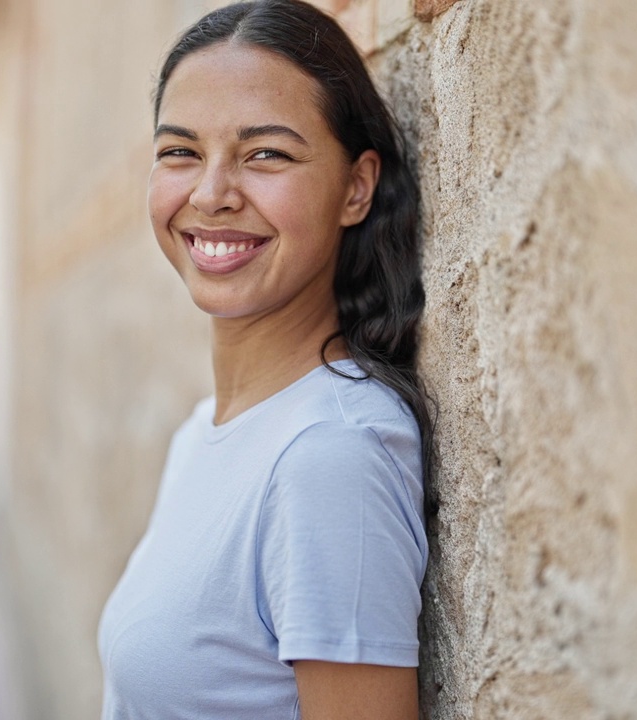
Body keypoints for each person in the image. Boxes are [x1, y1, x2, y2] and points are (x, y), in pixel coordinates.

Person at [98, 1, 433, 717]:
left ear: (356, 187)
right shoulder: (203, 434)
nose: (211, 194)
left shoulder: (330, 457)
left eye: (266, 155)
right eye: (180, 152)